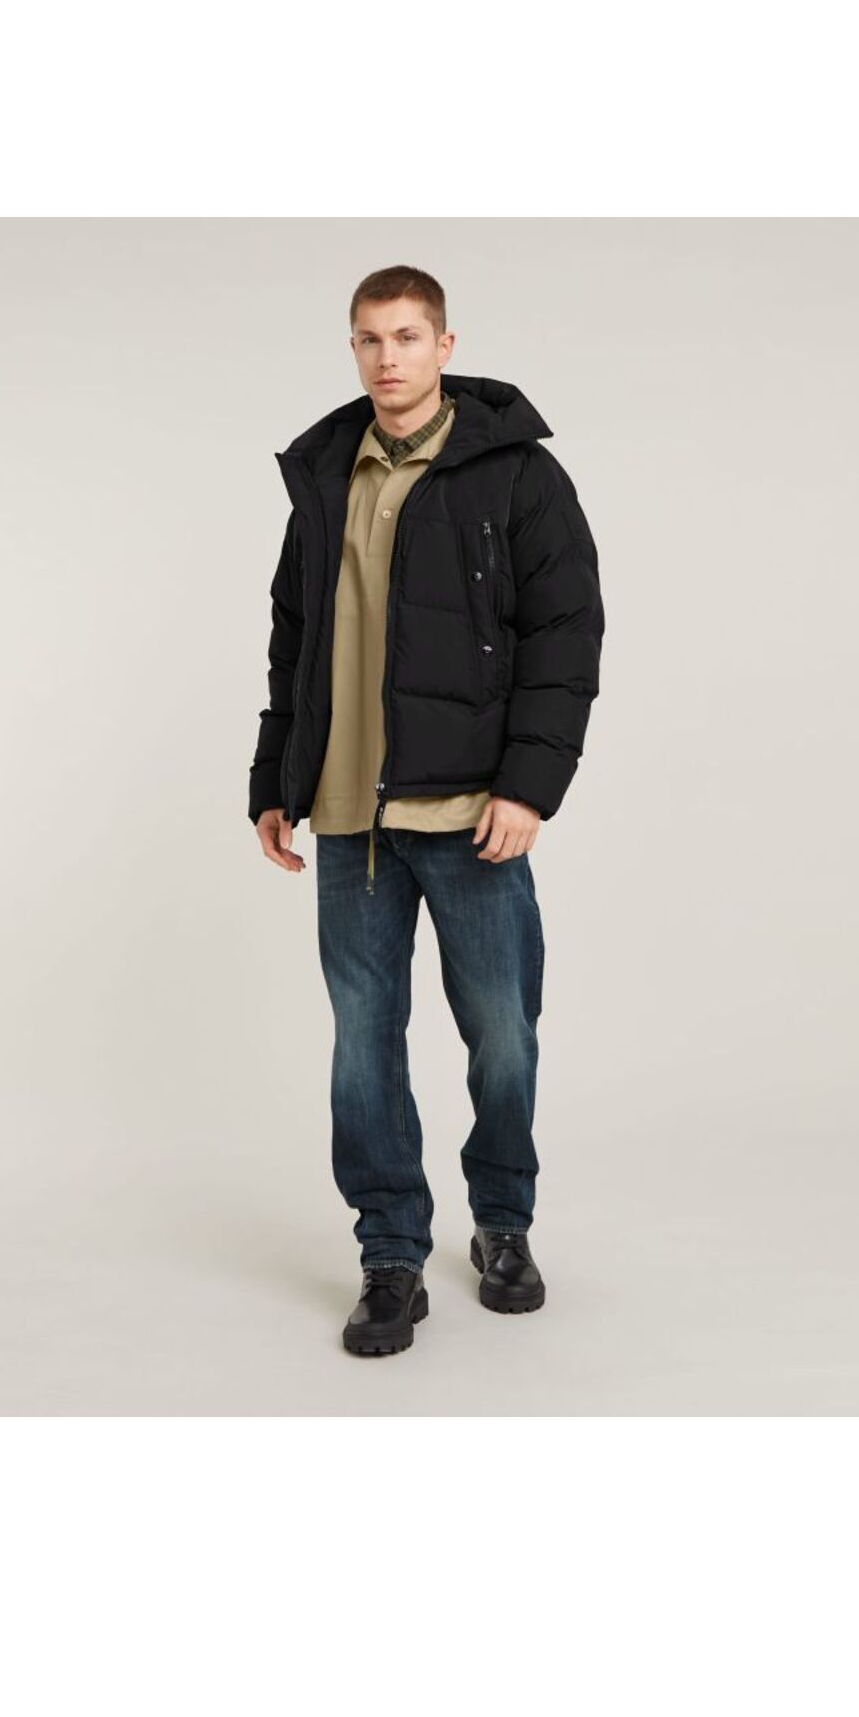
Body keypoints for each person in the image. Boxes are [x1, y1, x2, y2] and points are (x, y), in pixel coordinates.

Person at [248, 265, 605, 1356]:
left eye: (406, 336)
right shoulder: (328, 475)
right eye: (369, 339)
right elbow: (295, 637)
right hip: (348, 814)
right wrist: (275, 780)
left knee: (502, 1033)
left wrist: (529, 787)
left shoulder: (517, 474)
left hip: (471, 815)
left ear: (445, 345)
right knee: (364, 1047)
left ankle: (503, 1222)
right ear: (353, 350)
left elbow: (567, 633)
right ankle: (391, 1254)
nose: (387, 357)